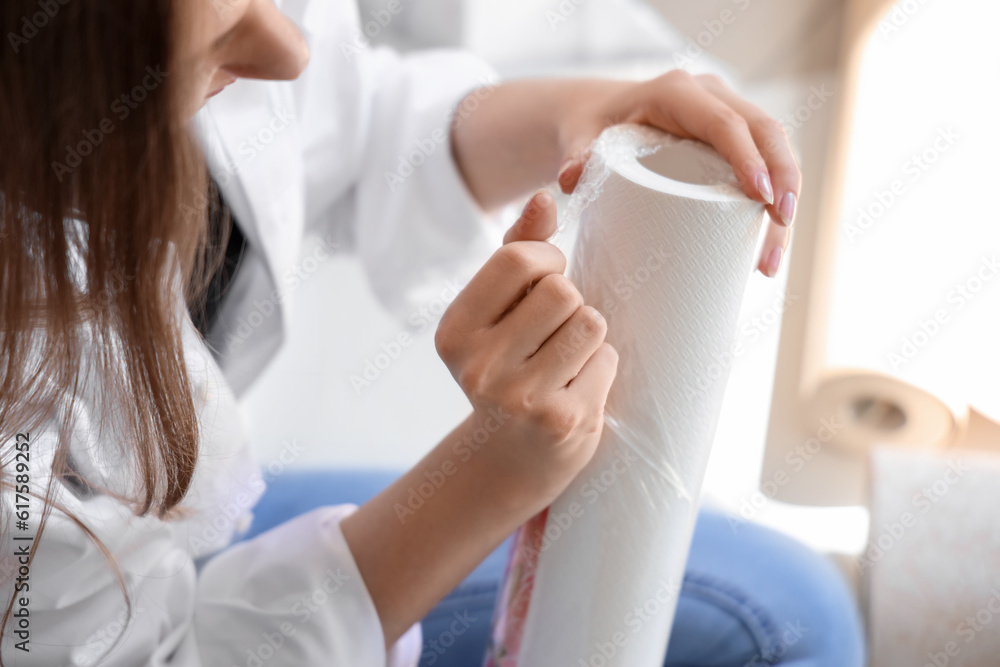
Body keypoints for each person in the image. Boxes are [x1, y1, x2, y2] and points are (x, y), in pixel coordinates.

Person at [0, 0, 863, 665]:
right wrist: (483, 476)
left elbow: (355, 122)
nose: (290, 48)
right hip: (77, 604)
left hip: (163, 530)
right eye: (216, 39)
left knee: (792, 607)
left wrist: (589, 110)